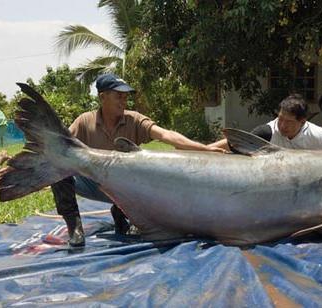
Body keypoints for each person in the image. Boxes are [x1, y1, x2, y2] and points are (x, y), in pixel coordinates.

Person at [52, 73, 225, 247]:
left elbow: (166, 135)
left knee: (156, 178)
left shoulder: (134, 120)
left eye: (126, 97)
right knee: (58, 168)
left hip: (128, 188)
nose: (123, 101)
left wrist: (205, 149)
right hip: (95, 184)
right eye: (118, 96)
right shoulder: (84, 121)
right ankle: (74, 227)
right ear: (102, 97)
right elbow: (62, 145)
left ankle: (123, 214)